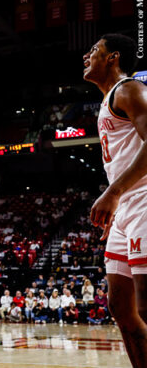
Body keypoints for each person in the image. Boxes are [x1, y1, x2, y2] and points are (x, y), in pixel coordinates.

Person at [82, 33, 147, 366]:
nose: (86, 55)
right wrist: (117, 202)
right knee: (122, 310)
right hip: (126, 210)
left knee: (146, 307)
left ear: (113, 58)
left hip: (145, 201)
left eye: (94, 50)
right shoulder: (109, 100)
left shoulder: (130, 89)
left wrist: (114, 192)